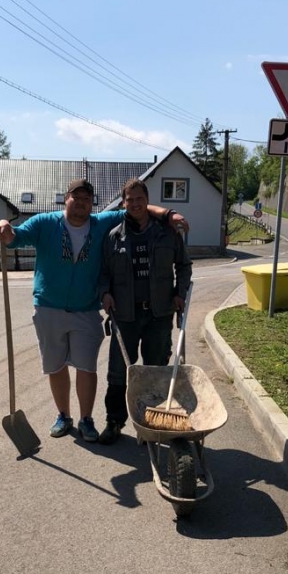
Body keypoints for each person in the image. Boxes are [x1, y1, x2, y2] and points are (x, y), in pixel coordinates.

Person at [0, 178, 188, 442]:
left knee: (87, 367)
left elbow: (137, 208)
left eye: (87, 199)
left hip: (86, 309)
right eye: (76, 197)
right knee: (56, 366)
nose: (81, 203)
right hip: (48, 307)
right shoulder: (45, 223)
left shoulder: (101, 223)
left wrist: (169, 213)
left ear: (92, 203)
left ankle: (87, 419)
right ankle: (64, 415)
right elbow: (16, 237)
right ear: (66, 198)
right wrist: (5, 226)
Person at [97, 178, 192, 444]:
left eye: (140, 199)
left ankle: (153, 423)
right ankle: (114, 422)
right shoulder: (113, 237)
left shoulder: (167, 233)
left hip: (158, 315)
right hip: (125, 315)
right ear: (123, 203)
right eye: (130, 200)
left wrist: (180, 293)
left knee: (156, 370)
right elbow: (103, 273)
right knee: (119, 372)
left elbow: (184, 266)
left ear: (147, 201)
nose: (135, 204)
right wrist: (104, 293)